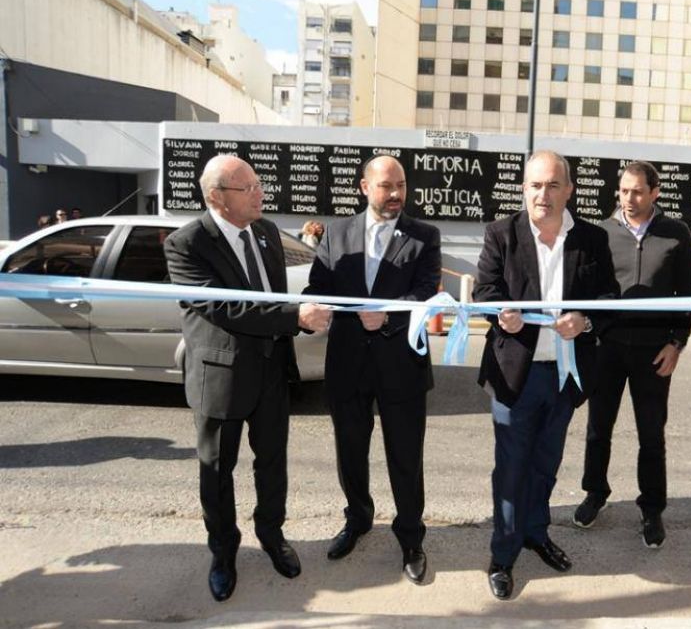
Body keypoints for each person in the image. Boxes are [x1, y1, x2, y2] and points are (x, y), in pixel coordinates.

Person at [163, 155, 332, 602]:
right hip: (222, 377)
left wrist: (296, 315)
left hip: (273, 371)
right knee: (218, 471)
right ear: (218, 197)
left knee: (272, 463)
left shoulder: (266, 232)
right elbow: (225, 309)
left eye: (259, 185)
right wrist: (296, 315)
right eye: (249, 188)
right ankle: (223, 553)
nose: (260, 194)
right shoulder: (186, 244)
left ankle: (272, 536)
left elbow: (270, 299)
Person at [474, 150, 619, 600]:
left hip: (566, 374)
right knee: (512, 468)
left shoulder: (592, 238)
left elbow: (609, 298)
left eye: (553, 185)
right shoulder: (501, 233)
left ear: (569, 190)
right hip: (515, 372)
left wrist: (585, 321)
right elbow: (485, 291)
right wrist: (503, 316)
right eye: (536, 185)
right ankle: (503, 554)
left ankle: (536, 532)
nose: (543, 193)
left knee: (546, 462)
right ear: (524, 189)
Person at [305, 155, 441, 585]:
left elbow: (425, 293)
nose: (396, 193)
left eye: (400, 184)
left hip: (401, 365)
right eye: (386, 186)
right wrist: (314, 306)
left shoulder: (424, 236)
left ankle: (410, 538)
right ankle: (358, 519)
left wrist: (389, 318)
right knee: (350, 451)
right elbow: (317, 285)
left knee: (405, 456)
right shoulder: (337, 232)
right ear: (365, 188)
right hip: (347, 364)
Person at [574, 160, 691, 548]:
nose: (629, 198)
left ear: (655, 193)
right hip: (607, 349)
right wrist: (592, 333)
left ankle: (652, 509)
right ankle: (595, 493)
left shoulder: (675, 234)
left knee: (651, 434)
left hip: (654, 353)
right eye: (624, 191)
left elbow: (688, 298)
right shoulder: (602, 233)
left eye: (638, 191)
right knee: (598, 429)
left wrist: (676, 343)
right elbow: (588, 292)